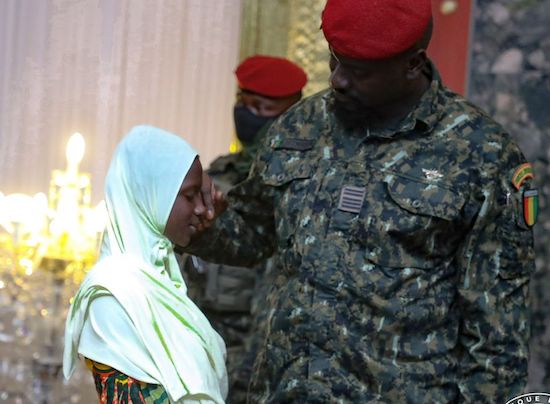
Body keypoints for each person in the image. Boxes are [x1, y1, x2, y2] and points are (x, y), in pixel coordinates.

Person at [185, 0, 537, 402]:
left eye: (358, 71)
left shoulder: (481, 154)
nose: (337, 80)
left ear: (413, 64)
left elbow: (496, 336)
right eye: (335, 60)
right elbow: (252, 234)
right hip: (286, 391)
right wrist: (190, 217)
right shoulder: (302, 125)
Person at [63, 125, 228, 403]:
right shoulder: (113, 297)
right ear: (151, 196)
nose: (201, 208)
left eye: (201, 196)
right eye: (190, 196)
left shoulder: (159, 280)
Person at [180, 55, 307, 403]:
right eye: (242, 103)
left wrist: (248, 379)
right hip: (195, 348)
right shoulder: (217, 172)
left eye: (261, 106)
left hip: (248, 363)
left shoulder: (296, 187)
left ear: (291, 110)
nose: (247, 114)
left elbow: (272, 293)